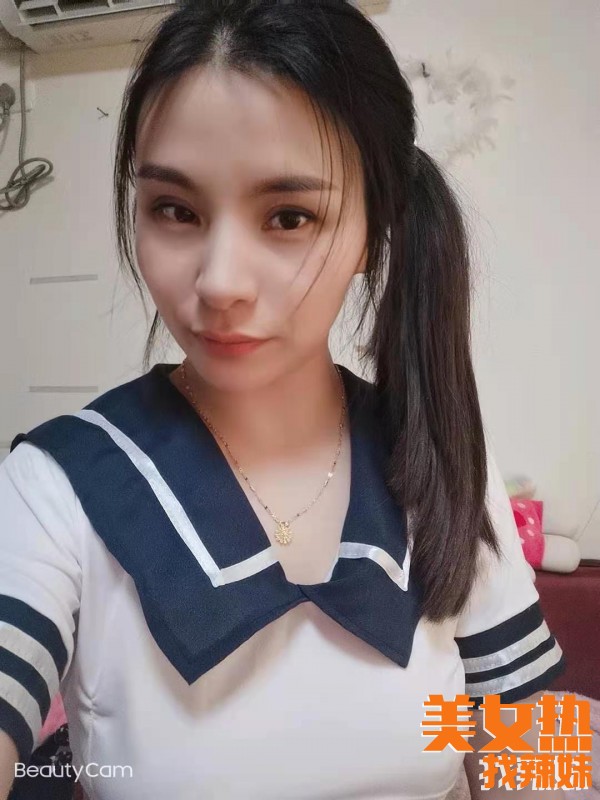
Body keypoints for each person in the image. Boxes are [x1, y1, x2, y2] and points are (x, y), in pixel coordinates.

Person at [0, 1, 566, 798]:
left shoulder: (440, 462)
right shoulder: (55, 485)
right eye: (176, 210)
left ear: (374, 227)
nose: (219, 282)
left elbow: (529, 735)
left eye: (289, 217)